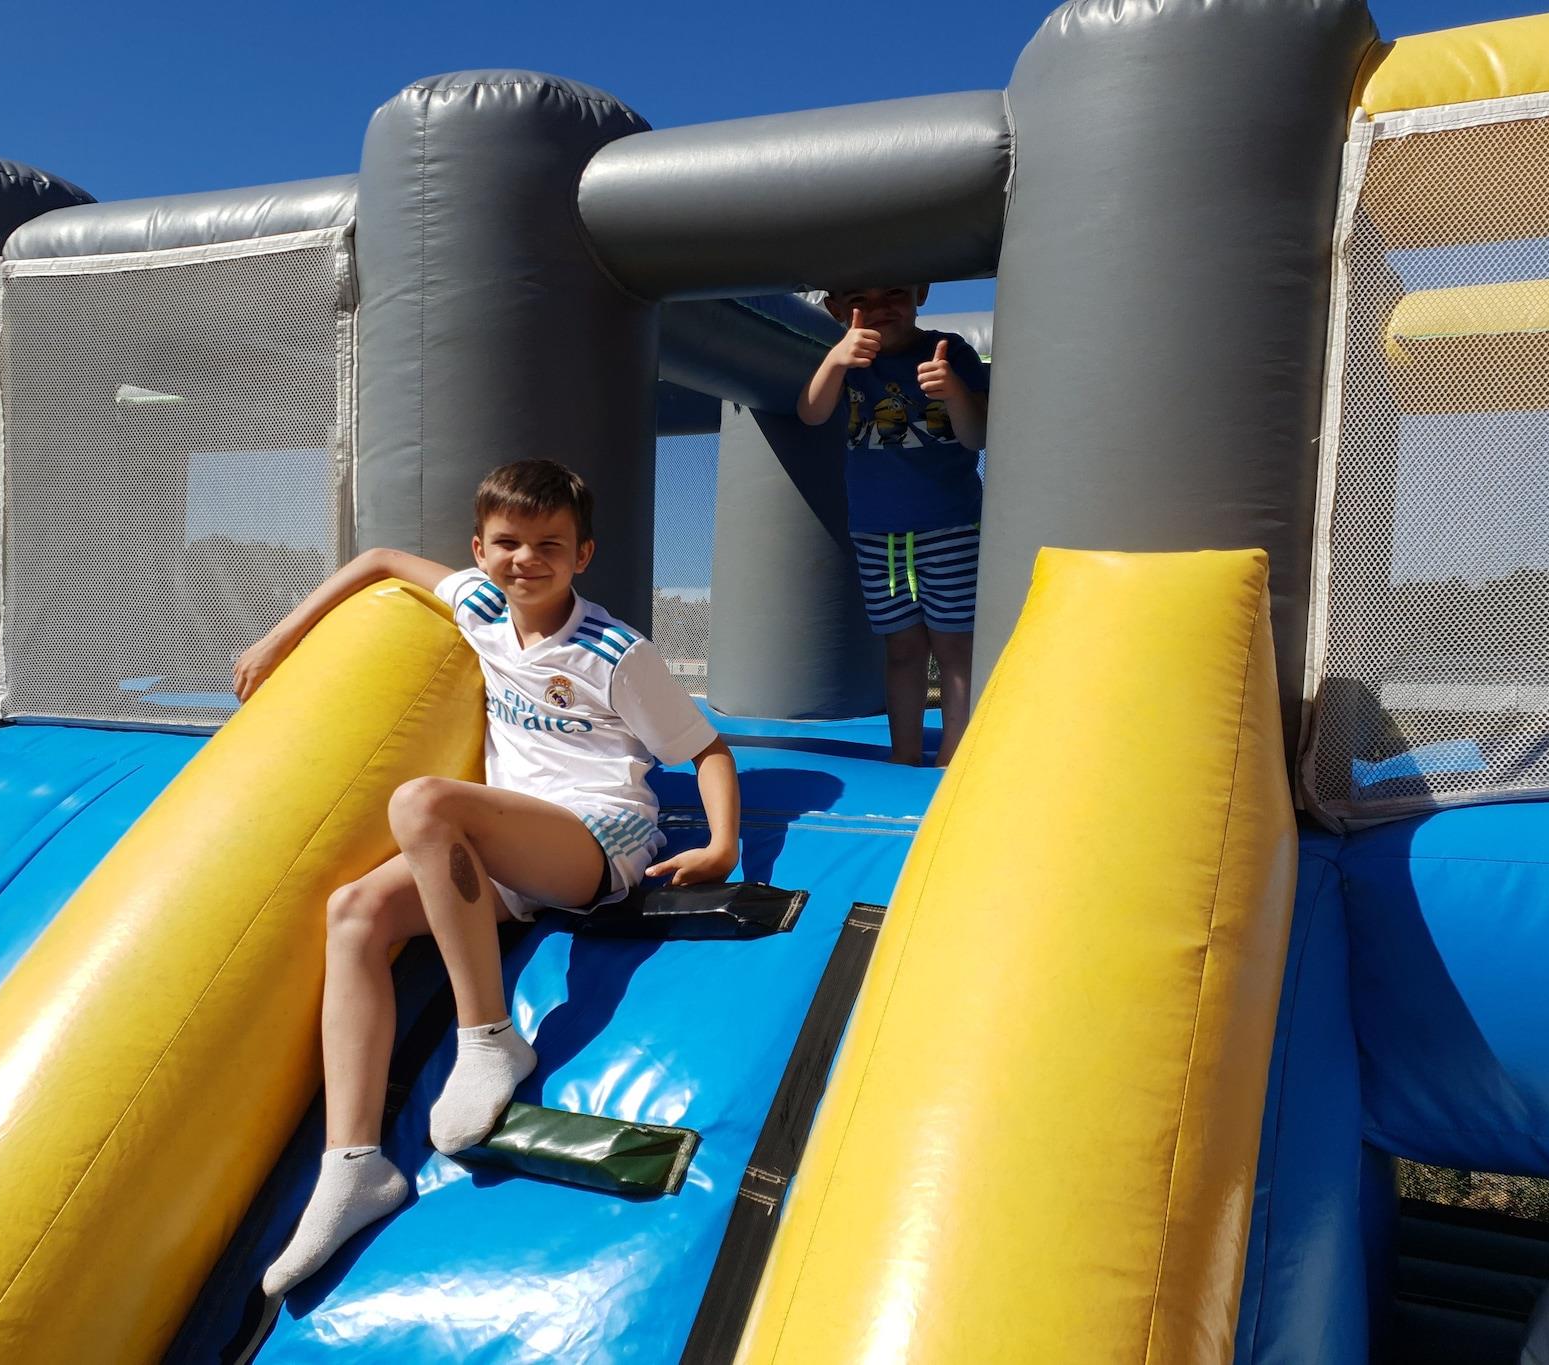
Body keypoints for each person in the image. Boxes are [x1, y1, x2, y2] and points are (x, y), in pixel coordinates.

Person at [231, 459, 741, 1299]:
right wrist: (278, 638)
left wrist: (721, 845)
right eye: (507, 542)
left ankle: (488, 1035)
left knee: (423, 802)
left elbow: (708, 749)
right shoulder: (478, 606)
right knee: (354, 911)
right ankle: (353, 1164)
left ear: (583, 555)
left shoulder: (616, 652)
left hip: (596, 836)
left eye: (549, 545)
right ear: (479, 548)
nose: (525, 559)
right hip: (502, 852)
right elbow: (378, 560)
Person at [797, 284, 990, 766]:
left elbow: (977, 436)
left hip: (951, 528)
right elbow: (811, 413)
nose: (880, 307)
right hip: (877, 534)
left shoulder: (949, 350)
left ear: (920, 293)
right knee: (902, 648)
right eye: (860, 299)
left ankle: (953, 757)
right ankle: (904, 755)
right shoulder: (849, 361)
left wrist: (953, 390)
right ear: (835, 310)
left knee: (955, 648)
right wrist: (836, 359)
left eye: (895, 293)